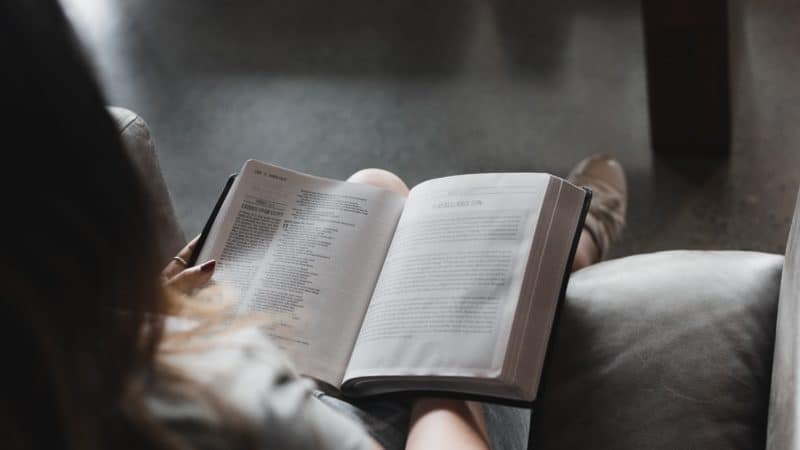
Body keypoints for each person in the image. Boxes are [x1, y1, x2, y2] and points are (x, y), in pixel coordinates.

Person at [0, 0, 626, 448]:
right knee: (479, 293)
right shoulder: (208, 398)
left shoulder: (53, 362)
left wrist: (149, 310)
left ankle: (563, 246)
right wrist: (442, 373)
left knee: (374, 190)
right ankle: (575, 245)